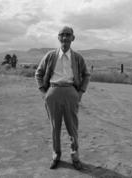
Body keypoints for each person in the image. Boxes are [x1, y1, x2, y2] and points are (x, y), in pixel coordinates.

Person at [35, 26, 91, 170]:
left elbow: (86, 75)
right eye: (62, 35)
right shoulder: (50, 56)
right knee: (55, 127)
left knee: (72, 127)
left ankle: (74, 155)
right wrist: (43, 92)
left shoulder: (77, 57)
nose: (65, 37)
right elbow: (38, 73)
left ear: (73, 38)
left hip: (71, 92)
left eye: (68, 34)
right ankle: (56, 154)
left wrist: (80, 93)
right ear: (58, 38)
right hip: (53, 92)